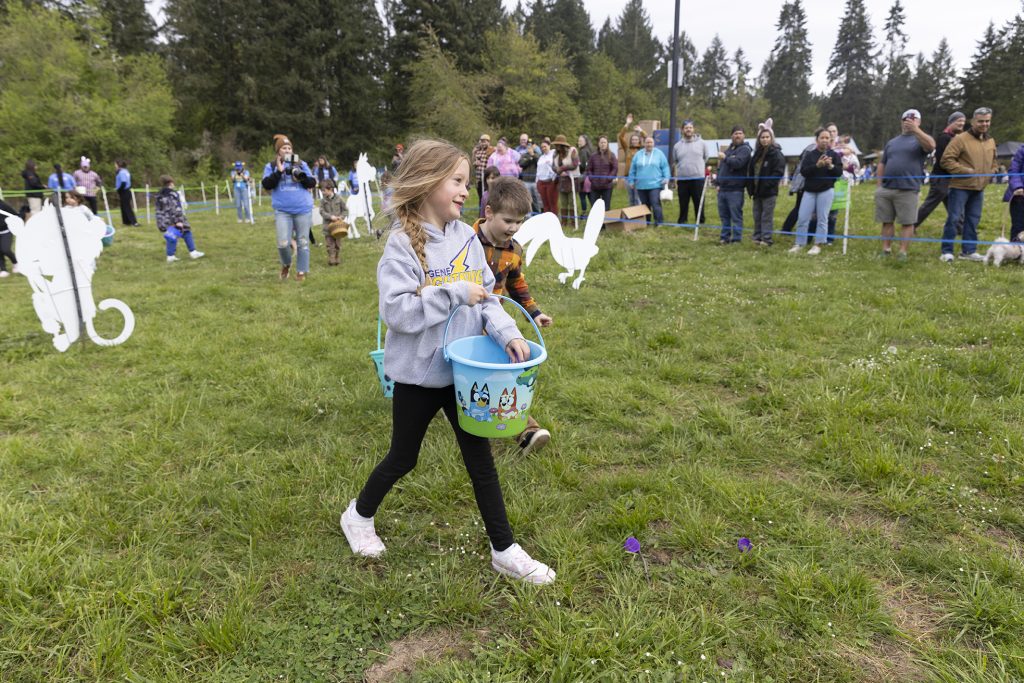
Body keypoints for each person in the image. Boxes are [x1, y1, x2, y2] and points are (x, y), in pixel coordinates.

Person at [339, 139, 556, 585]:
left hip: (463, 374)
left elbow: (489, 299)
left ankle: (504, 550)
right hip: (418, 377)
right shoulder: (401, 244)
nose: (465, 190)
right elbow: (397, 312)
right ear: (427, 182)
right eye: (456, 180)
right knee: (403, 457)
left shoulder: (467, 239)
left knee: (480, 461)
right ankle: (358, 516)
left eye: (466, 181)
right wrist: (454, 293)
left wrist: (509, 334)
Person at [471, 176, 554, 454]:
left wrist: (534, 312)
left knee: (504, 372)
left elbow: (517, 284)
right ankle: (461, 406)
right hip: (462, 320)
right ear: (489, 212)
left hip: (495, 323)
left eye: (519, 222)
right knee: (469, 375)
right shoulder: (465, 240)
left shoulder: (514, 249)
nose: (514, 228)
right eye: (508, 221)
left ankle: (525, 430)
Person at [875, 109, 935, 259]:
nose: (908, 122)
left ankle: (903, 252)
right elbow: (883, 163)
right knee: (886, 221)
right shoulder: (892, 142)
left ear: (919, 122)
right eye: (906, 119)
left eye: (913, 119)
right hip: (887, 188)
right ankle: (886, 249)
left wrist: (916, 130)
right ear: (901, 122)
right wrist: (879, 186)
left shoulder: (920, 140)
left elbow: (931, 146)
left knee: (908, 222)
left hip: (908, 189)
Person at [939, 107, 997, 262]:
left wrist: (992, 172)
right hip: (960, 187)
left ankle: (968, 251)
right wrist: (965, 171)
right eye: (981, 121)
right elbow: (946, 160)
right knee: (954, 219)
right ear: (973, 121)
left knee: (973, 220)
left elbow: (994, 162)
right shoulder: (960, 139)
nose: (984, 124)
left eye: (987, 121)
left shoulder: (990, 141)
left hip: (979, 188)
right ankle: (946, 251)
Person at [262, 134, 317, 281]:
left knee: (303, 242)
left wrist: (301, 177)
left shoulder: (301, 164)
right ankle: (286, 264)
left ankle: (301, 272)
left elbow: (312, 183)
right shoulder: (271, 166)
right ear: (278, 151)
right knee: (282, 243)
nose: (287, 150)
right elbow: (266, 184)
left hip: (302, 209)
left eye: (289, 148)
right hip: (283, 211)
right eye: (283, 148)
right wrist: (279, 172)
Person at [788, 128, 842, 255]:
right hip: (809, 191)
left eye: (827, 138)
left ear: (830, 140)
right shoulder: (810, 155)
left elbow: (839, 173)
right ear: (817, 139)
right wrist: (817, 166)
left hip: (826, 190)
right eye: (822, 137)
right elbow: (803, 172)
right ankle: (799, 243)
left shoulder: (834, 155)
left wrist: (830, 166)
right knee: (803, 217)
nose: (824, 140)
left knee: (822, 218)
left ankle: (818, 245)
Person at [915, 112, 966, 231]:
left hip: (949, 178)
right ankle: (911, 225)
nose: (961, 124)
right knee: (930, 204)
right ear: (950, 122)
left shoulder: (955, 138)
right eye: (959, 121)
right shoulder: (944, 137)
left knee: (954, 204)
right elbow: (944, 159)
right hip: (941, 178)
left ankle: (961, 228)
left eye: (963, 122)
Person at [746, 119, 785, 246]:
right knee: (757, 215)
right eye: (762, 137)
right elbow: (751, 170)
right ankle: (757, 237)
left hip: (769, 192)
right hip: (757, 191)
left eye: (767, 137)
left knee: (766, 216)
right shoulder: (757, 154)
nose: (765, 139)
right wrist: (751, 187)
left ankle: (766, 238)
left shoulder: (776, 154)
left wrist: (767, 184)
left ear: (771, 138)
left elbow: (778, 172)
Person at [155, 175, 204, 263]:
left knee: (172, 235)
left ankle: (170, 256)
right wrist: (178, 220)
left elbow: (159, 209)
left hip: (164, 219)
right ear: (171, 183)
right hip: (174, 218)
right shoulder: (173, 194)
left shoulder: (159, 195)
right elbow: (175, 208)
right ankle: (193, 252)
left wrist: (161, 221)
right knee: (186, 231)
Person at [716, 125, 752, 243]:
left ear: (744, 135)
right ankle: (724, 237)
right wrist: (718, 183)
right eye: (735, 133)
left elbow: (738, 163)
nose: (738, 135)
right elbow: (721, 168)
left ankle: (736, 239)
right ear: (731, 136)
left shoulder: (745, 150)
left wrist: (725, 158)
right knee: (724, 216)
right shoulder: (729, 149)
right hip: (723, 189)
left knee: (736, 216)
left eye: (740, 133)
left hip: (735, 189)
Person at [627, 136, 670, 227]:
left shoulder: (659, 154)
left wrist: (666, 177)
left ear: (654, 144)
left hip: (655, 185)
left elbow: (665, 167)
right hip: (641, 185)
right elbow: (632, 169)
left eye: (651, 142)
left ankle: (659, 222)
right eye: (647, 142)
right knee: (645, 205)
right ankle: (647, 222)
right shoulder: (638, 154)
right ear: (644, 144)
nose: (649, 144)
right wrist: (631, 181)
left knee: (655, 203)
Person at [673, 120, 708, 225]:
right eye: (686, 128)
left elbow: (706, 157)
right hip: (683, 179)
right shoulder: (677, 146)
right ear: (682, 130)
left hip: (698, 178)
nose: (688, 129)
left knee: (699, 201)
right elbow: (676, 160)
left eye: (690, 127)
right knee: (683, 202)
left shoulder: (702, 143)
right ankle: (682, 221)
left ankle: (700, 221)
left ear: (693, 129)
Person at [618, 114, 647, 206]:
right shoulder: (627, 149)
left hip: (639, 177)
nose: (634, 141)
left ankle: (639, 215)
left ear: (639, 141)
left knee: (637, 199)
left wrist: (641, 130)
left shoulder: (642, 150)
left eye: (636, 139)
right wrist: (627, 124)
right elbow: (621, 137)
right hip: (628, 177)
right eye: (633, 140)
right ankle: (631, 215)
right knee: (631, 199)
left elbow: (648, 138)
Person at [552, 135, 580, 227]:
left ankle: (573, 223)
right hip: (562, 181)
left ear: (563, 145)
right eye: (556, 145)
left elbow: (575, 164)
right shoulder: (555, 154)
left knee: (572, 202)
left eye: (559, 145)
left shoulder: (573, 151)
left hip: (572, 180)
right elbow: (553, 167)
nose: (557, 147)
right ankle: (564, 222)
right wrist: (558, 171)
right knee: (563, 203)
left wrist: (562, 168)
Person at [319, 179, 346, 266]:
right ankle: (332, 257)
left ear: (330, 189)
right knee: (329, 244)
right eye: (322, 191)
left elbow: (345, 210)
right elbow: (321, 211)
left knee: (337, 243)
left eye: (324, 190)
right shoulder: (323, 201)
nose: (323, 192)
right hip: (328, 227)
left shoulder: (339, 199)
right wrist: (330, 217)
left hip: (338, 227)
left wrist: (341, 217)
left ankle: (337, 256)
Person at [586, 135, 617, 209]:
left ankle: (606, 217)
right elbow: (589, 169)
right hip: (594, 186)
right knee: (594, 207)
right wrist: (592, 179)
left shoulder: (612, 155)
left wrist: (608, 179)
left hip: (607, 186)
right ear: (598, 143)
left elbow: (615, 168)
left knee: (606, 207)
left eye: (604, 142)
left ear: (607, 144)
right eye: (601, 142)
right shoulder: (593, 156)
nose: (603, 144)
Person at [515, 134, 542, 213]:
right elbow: (521, 164)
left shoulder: (538, 155)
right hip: (526, 181)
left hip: (535, 181)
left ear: (534, 146)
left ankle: (537, 213)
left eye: (531, 145)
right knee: (527, 199)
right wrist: (529, 158)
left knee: (536, 200)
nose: (529, 147)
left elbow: (539, 163)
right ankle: (528, 215)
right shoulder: (524, 155)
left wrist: (533, 155)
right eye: (528, 146)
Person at [1004, 144, 1024, 242]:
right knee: (1018, 227)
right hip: (1019, 196)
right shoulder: (1022, 151)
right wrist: (1018, 186)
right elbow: (1014, 170)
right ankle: (1016, 248)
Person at [535, 140, 558, 215]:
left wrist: (554, 179)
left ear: (549, 146)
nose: (543, 148)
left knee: (552, 203)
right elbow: (538, 170)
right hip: (541, 182)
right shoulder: (541, 157)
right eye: (542, 147)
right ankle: (547, 219)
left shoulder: (554, 155)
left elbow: (556, 168)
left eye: (545, 146)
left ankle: (554, 219)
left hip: (551, 182)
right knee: (545, 203)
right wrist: (537, 182)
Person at [114, 160, 140, 227]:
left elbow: (123, 182)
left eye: (115, 164)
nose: (115, 166)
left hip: (124, 191)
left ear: (119, 165)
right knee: (123, 206)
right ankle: (126, 222)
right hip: (125, 191)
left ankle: (134, 222)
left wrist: (119, 189)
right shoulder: (125, 171)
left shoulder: (122, 172)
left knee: (127, 207)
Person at [473, 134, 495, 210]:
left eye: (485, 141)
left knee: (487, 195)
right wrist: (475, 163)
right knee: (480, 196)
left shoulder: (491, 150)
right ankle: (481, 211)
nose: (483, 143)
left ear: (488, 142)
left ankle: (489, 210)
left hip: (487, 177)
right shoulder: (478, 151)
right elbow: (474, 162)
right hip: (479, 177)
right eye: (482, 141)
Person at [0, 198, 19, 278]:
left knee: (5, 249)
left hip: (6, 231)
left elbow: (15, 214)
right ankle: (3, 269)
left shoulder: (3, 205)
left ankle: (15, 262)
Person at [576, 134, 594, 213]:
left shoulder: (583, 151)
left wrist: (577, 166)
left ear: (585, 142)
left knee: (582, 196)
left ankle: (584, 213)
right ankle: (594, 211)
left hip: (584, 177)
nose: (579, 142)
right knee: (590, 196)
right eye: (578, 141)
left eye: (580, 141)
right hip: (589, 176)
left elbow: (583, 165)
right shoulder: (589, 150)